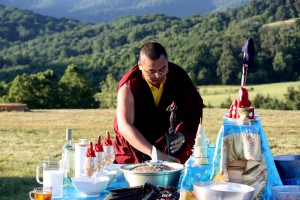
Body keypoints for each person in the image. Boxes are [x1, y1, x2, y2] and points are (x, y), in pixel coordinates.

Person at [113, 42, 203, 164]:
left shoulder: (179, 77)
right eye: (151, 71)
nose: (158, 75)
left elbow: (193, 112)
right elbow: (124, 126)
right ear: (140, 65)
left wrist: (183, 135)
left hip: (169, 148)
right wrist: (155, 154)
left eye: (163, 69)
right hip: (135, 150)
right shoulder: (129, 87)